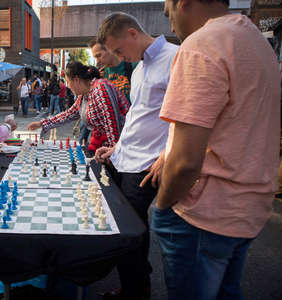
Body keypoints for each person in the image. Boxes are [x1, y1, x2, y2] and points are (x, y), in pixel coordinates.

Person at [151, 1, 280, 300]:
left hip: (203, 213)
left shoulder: (202, 44)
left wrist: (162, 204)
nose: (171, 26)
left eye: (169, 14)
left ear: (182, 3)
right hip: (249, 207)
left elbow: (185, 162)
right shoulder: (259, 44)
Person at [95, 13, 178, 300]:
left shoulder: (175, 58)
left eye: (118, 50)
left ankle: (136, 290)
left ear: (132, 33)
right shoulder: (139, 68)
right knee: (130, 232)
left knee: (128, 231)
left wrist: (169, 153)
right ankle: (135, 285)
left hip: (147, 164)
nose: (119, 57)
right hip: (125, 158)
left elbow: (188, 116)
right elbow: (136, 116)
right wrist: (116, 147)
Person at [27, 62, 129, 155]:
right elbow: (68, 114)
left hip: (123, 147)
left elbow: (112, 125)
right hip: (106, 146)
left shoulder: (101, 89)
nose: (69, 86)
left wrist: (113, 154)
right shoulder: (83, 96)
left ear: (76, 80)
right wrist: (41, 123)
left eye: (68, 82)